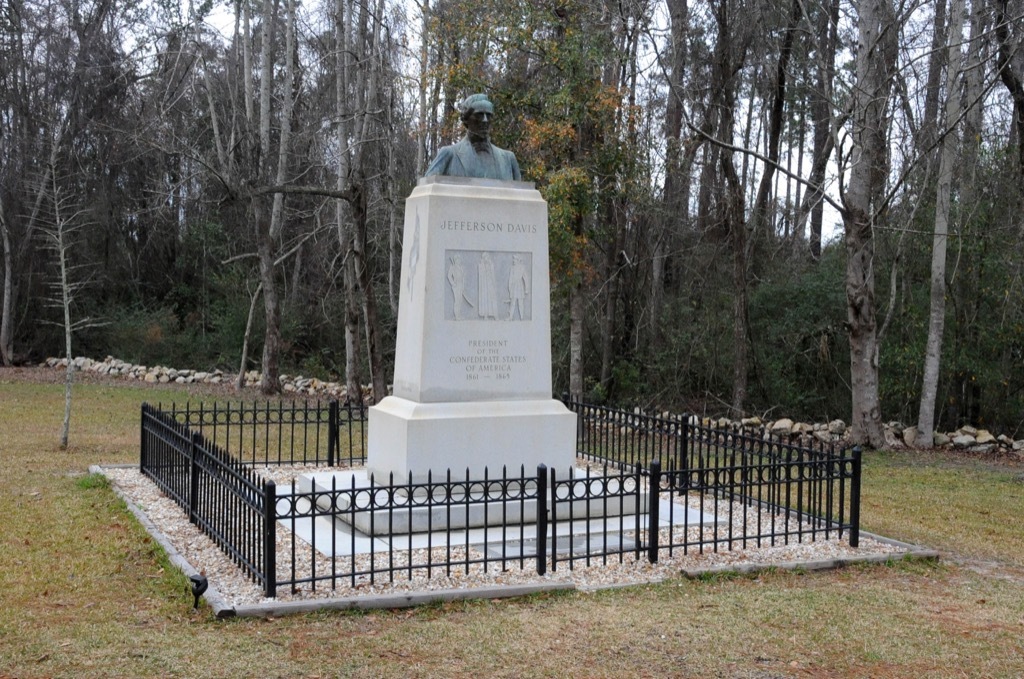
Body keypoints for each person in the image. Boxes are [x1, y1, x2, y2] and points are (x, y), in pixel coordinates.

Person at [424, 94, 522, 181]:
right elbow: (426, 189)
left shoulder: (508, 159)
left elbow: (520, 197)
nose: (485, 120)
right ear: (466, 119)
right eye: (479, 115)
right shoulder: (449, 155)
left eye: (489, 115)